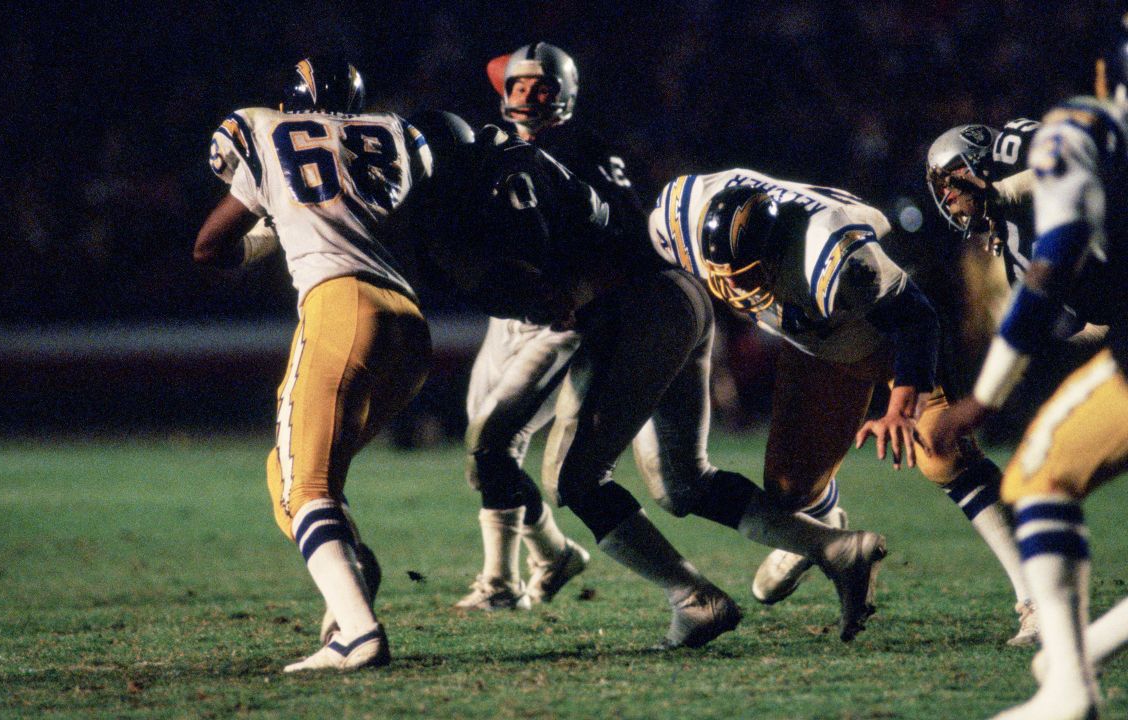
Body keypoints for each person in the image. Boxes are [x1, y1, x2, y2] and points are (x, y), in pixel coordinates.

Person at [399, 113, 887, 647]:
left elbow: (551, 297)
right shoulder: (523, 163)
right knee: (683, 483)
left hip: (631, 310)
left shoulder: (461, 206)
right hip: (678, 295)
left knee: (573, 480)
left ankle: (693, 598)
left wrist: (552, 294)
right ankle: (835, 548)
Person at [644, 169, 1033, 635]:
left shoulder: (833, 252)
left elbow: (917, 319)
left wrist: (898, 409)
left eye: (751, 274)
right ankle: (830, 535)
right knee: (788, 491)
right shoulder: (676, 217)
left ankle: (1037, 600)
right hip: (816, 344)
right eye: (726, 276)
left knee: (940, 452)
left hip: (879, 333)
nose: (740, 289)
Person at [195, 56, 432, 673]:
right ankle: (353, 569)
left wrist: (265, 235)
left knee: (307, 486)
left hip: (340, 306)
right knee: (289, 471)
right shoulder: (392, 134)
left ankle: (357, 633)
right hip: (408, 325)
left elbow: (208, 247)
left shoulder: (265, 128)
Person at [929, 21, 1128, 719]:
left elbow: (1059, 239)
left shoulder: (1073, 128)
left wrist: (983, 398)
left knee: (1039, 476)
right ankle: (1087, 652)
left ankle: (1071, 688)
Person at [452, 42, 648, 611]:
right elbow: (504, 68)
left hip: (560, 321)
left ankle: (500, 583)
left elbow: (632, 233)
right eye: (517, 88)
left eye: (542, 90)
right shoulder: (500, 144)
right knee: (483, 461)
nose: (527, 98)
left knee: (492, 444)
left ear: (566, 95)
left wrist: (585, 285)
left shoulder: (585, 151)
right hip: (505, 319)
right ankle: (553, 556)